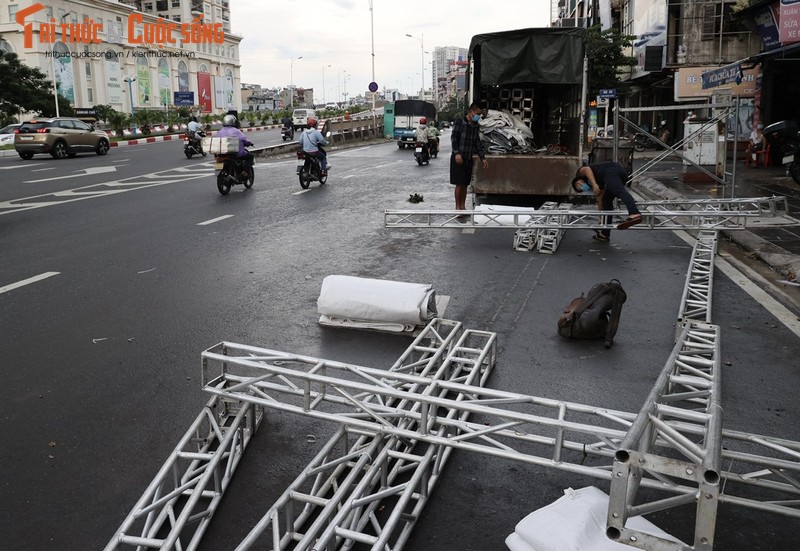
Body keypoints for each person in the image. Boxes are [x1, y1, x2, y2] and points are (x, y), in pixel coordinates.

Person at [571, 161, 642, 242]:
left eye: (579, 185)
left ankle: (634, 213)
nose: (581, 186)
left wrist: (594, 184)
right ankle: (604, 233)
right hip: (617, 176)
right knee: (606, 200)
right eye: (581, 189)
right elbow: (600, 200)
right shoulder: (595, 185)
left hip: (612, 170)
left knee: (619, 191)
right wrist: (601, 218)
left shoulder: (580, 174)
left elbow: (587, 169)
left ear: (577, 181)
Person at [450, 102, 488, 212]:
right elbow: (454, 138)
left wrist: (483, 158)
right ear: (471, 112)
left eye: (480, 115)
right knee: (460, 184)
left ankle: (463, 206)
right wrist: (457, 153)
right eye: (477, 114)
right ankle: (458, 207)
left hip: (468, 158)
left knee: (465, 184)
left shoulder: (476, 126)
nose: (478, 116)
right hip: (458, 158)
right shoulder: (460, 122)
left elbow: (477, 143)